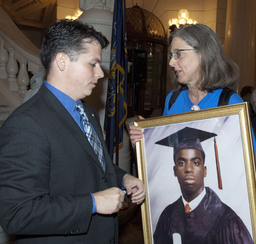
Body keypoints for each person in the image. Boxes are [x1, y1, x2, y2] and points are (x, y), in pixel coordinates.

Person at [0, 19, 145, 244]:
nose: (100, 74)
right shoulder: (26, 124)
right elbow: (18, 214)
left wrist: (123, 177)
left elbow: (93, 166)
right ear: (62, 61)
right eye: (92, 64)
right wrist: (93, 203)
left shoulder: (87, 112)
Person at [129, 23, 247, 144]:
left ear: (203, 54)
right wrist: (145, 139)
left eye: (178, 54)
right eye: (171, 55)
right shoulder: (172, 100)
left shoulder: (230, 103)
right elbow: (167, 152)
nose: (171, 62)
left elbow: (247, 158)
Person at [153, 127, 253, 244]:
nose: (188, 169)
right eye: (181, 163)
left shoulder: (228, 222)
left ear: (204, 171)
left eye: (196, 163)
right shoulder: (168, 216)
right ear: (174, 171)